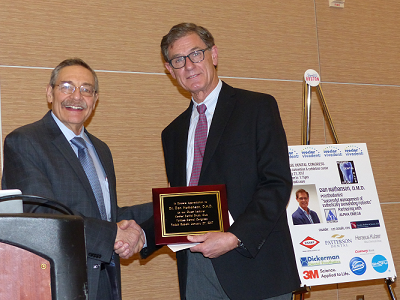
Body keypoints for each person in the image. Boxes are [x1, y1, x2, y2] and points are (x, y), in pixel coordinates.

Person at [160, 23, 300, 300]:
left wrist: (235, 236)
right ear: (170, 70)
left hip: (254, 263)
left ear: (213, 54)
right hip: (196, 267)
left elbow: (276, 183)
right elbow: (181, 200)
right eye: (179, 60)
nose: (189, 66)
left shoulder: (257, 107)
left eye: (196, 54)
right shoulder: (172, 133)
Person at [1, 58, 156, 300]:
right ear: (49, 94)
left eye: (86, 89)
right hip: (58, 283)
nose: (76, 96)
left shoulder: (101, 149)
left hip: (105, 281)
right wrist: (112, 235)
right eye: (66, 87)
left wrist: (168, 210)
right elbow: (43, 217)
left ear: (95, 100)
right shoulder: (25, 141)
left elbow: (107, 218)